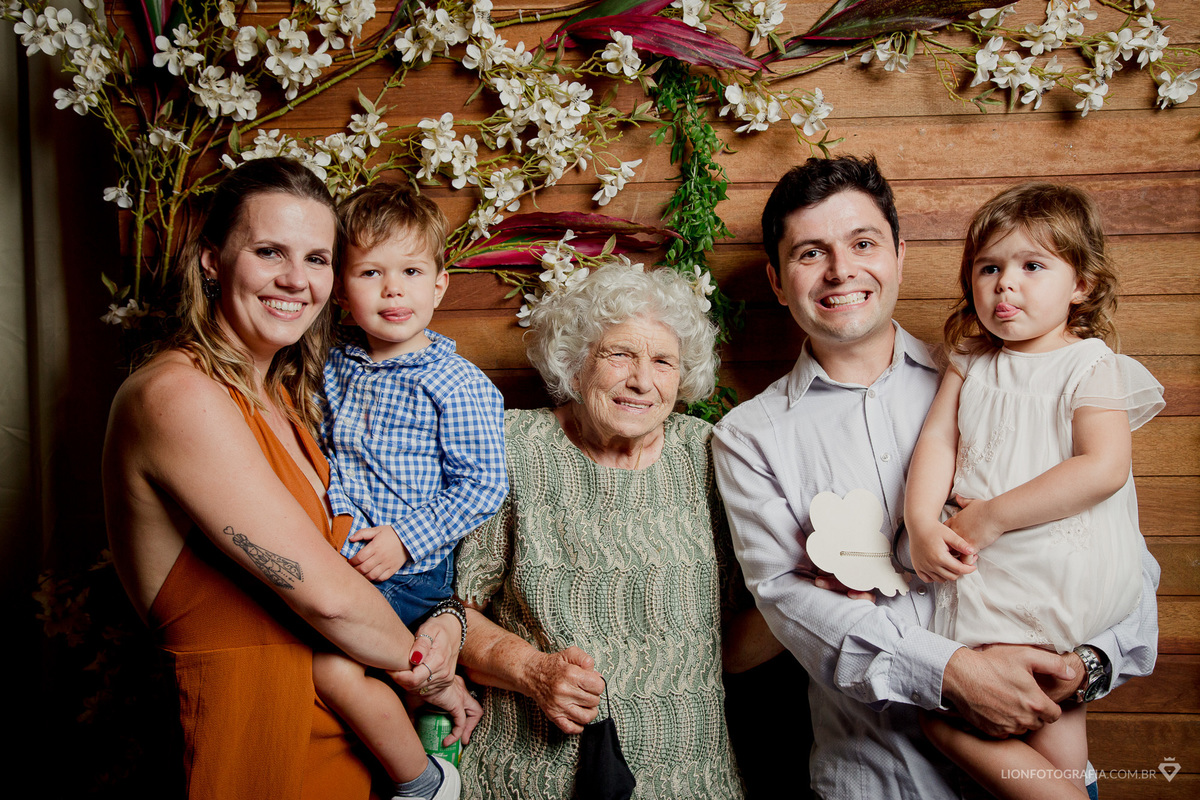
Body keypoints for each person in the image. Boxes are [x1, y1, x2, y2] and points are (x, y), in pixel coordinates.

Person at [710, 155, 1160, 799]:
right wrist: (951, 674)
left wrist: (1081, 666)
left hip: (1047, 751)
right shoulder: (748, 437)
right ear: (778, 283)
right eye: (811, 253)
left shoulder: (1009, 378)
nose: (841, 270)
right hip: (882, 782)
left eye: (863, 243)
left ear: (899, 255)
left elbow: (1118, 555)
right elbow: (790, 605)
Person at [102, 158, 476, 800]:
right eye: (269, 251)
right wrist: (433, 676)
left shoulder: (289, 397)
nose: (295, 280)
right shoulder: (178, 396)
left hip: (346, 758)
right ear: (212, 260)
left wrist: (450, 621)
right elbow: (329, 598)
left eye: (317, 259)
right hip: (250, 754)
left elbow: (360, 572)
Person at [452, 261, 760, 798]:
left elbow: (728, 646)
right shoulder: (513, 447)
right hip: (535, 778)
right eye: (620, 355)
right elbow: (455, 613)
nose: (642, 380)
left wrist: (816, 591)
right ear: (575, 364)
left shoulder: (706, 453)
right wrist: (531, 669)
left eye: (663, 361)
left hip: (691, 778)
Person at [904, 183, 1164, 799]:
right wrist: (920, 523)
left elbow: (1103, 467)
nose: (1006, 285)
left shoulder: (1088, 364)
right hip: (986, 571)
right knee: (990, 721)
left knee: (1020, 718)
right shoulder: (971, 359)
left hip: (1050, 570)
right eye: (989, 267)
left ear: (1082, 285)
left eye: (1032, 266)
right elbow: (937, 441)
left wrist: (992, 516)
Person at [312, 181, 507, 800]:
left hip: (408, 569)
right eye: (371, 272)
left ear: (439, 286)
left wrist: (404, 538)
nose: (393, 289)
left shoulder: (456, 383)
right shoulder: (332, 366)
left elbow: (483, 484)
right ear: (340, 291)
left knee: (330, 668)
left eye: (411, 272)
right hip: (341, 556)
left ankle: (422, 781)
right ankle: (429, 710)